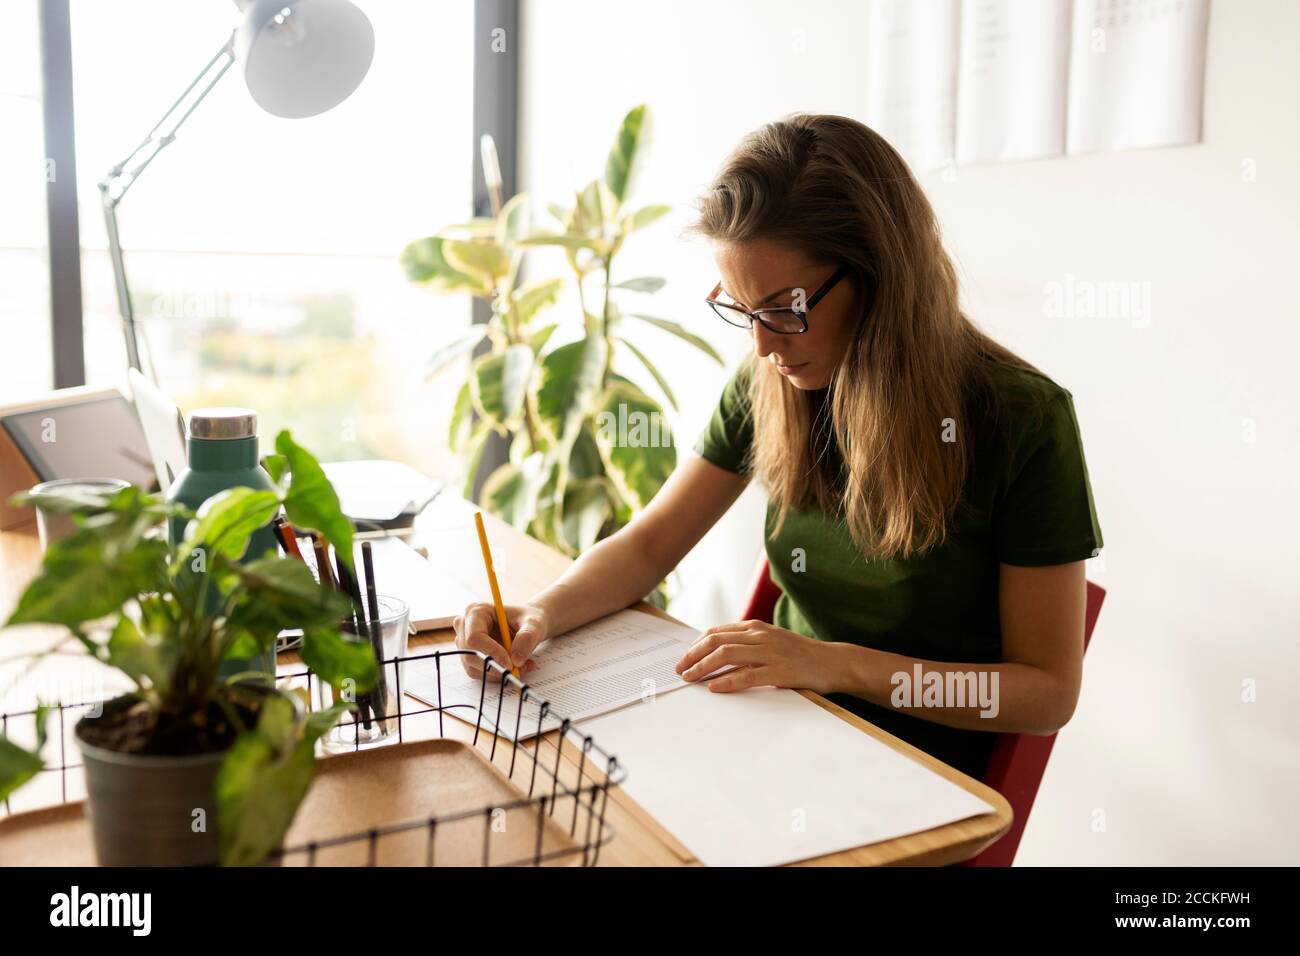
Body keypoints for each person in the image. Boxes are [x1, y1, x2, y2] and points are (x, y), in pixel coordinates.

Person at [453, 113, 1103, 779]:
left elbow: (1046, 694)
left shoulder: (1022, 419)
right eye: (740, 308)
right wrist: (540, 611)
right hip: (779, 732)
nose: (762, 345)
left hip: (913, 774)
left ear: (879, 279)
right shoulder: (776, 382)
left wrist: (837, 665)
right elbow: (652, 544)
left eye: (783, 308)